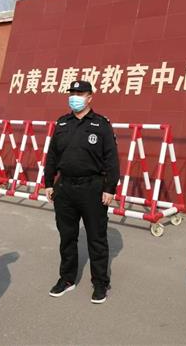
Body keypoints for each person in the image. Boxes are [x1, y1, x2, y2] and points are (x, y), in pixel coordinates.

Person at [44, 80, 120, 304]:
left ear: (89, 97)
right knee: (67, 237)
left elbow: (112, 159)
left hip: (92, 188)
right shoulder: (62, 123)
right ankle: (67, 279)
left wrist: (110, 188)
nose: (74, 97)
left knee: (97, 238)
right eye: (72, 93)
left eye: (80, 93)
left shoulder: (101, 124)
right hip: (65, 188)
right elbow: (52, 156)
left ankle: (100, 283)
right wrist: (48, 182)